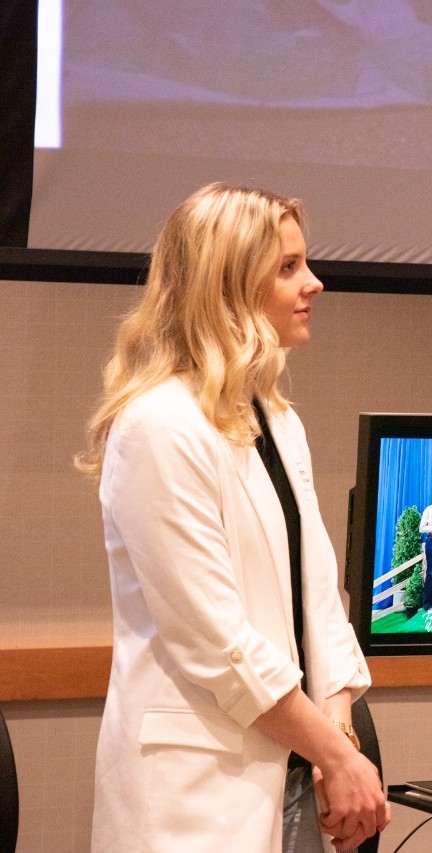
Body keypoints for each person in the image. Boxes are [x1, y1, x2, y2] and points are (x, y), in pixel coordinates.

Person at [75, 183, 389, 852]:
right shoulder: (157, 426)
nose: (315, 282)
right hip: (202, 795)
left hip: (295, 772)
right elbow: (216, 640)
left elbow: (319, 604)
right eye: (288, 267)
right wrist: (336, 756)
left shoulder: (277, 417)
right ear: (227, 285)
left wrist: (340, 739)